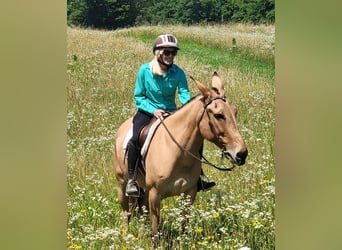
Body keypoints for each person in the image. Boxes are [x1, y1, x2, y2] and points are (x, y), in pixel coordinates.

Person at [125, 34, 216, 197]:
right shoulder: (144, 70)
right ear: (158, 53)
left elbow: (183, 93)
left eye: (173, 53)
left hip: (171, 112)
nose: (170, 56)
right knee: (133, 139)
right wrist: (153, 110)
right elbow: (139, 96)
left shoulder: (178, 72)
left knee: (195, 137)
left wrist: (187, 109)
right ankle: (132, 179)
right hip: (147, 112)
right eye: (167, 52)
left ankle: (198, 177)